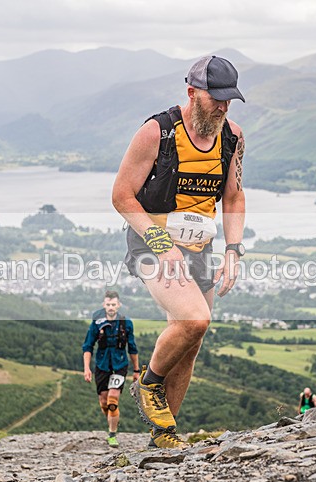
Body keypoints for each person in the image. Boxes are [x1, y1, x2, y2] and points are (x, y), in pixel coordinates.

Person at [112, 55, 247, 449]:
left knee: (190, 343)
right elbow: (122, 196)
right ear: (192, 92)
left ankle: (164, 435)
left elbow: (234, 197)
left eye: (229, 100)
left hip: (200, 247)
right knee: (195, 319)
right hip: (152, 242)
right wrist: (161, 244)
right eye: (216, 99)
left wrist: (233, 250)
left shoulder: (233, 137)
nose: (223, 107)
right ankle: (148, 382)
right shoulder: (157, 133)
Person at [82, 290, 140, 448]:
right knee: (104, 401)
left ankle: (112, 435)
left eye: (113, 304)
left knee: (113, 400)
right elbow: (88, 346)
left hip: (120, 365)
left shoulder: (126, 323)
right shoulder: (97, 323)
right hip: (102, 365)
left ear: (118, 305)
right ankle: (112, 419)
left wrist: (136, 370)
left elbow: (132, 348)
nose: (111, 307)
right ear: (104, 305)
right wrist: (87, 368)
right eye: (108, 304)